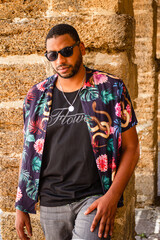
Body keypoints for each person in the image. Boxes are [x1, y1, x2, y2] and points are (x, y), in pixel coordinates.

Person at [15, 23, 139, 240]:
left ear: (81, 48)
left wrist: (112, 196)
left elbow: (132, 147)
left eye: (66, 51)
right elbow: (28, 152)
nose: (60, 61)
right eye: (52, 55)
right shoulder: (36, 95)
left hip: (93, 198)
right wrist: (21, 205)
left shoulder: (111, 89)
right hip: (51, 202)